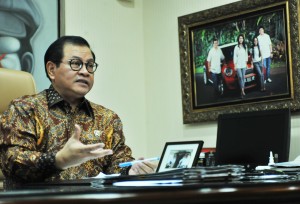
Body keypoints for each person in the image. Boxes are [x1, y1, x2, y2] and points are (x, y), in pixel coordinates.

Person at [0, 36, 156, 185]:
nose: (85, 71)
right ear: (52, 70)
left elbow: (118, 164)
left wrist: (131, 171)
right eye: (76, 63)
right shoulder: (24, 109)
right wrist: (58, 160)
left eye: (90, 65)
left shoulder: (107, 118)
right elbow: (11, 162)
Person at [233, 34, 248, 99]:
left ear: (243, 39)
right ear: (238, 40)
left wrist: (246, 63)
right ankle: (242, 90)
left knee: (243, 77)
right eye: (239, 38)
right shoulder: (236, 47)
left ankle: (242, 91)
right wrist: (235, 65)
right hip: (238, 65)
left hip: (243, 65)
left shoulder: (245, 46)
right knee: (240, 77)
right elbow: (235, 56)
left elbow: (246, 56)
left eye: (242, 38)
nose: (241, 39)